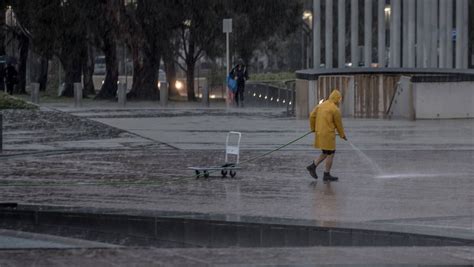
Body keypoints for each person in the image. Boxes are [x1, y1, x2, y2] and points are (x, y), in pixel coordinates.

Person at [307, 89, 347, 182]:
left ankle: (313, 167)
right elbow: (339, 125)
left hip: (319, 133)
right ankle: (326, 174)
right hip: (328, 134)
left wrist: (313, 128)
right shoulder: (335, 109)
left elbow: (312, 116)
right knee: (331, 153)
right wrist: (342, 135)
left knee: (325, 152)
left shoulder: (321, 105)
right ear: (337, 99)